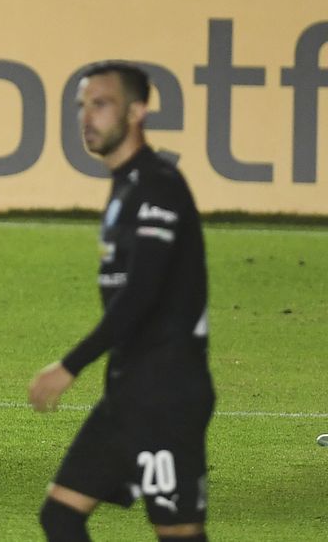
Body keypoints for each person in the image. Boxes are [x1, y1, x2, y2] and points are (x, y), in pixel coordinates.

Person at [29, 62, 214, 541]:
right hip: (130, 390)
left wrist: (69, 366)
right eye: (83, 106)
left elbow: (142, 295)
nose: (87, 117)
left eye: (101, 104)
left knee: (179, 534)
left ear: (136, 112)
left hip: (167, 394)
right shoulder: (127, 184)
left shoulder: (158, 184)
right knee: (60, 515)